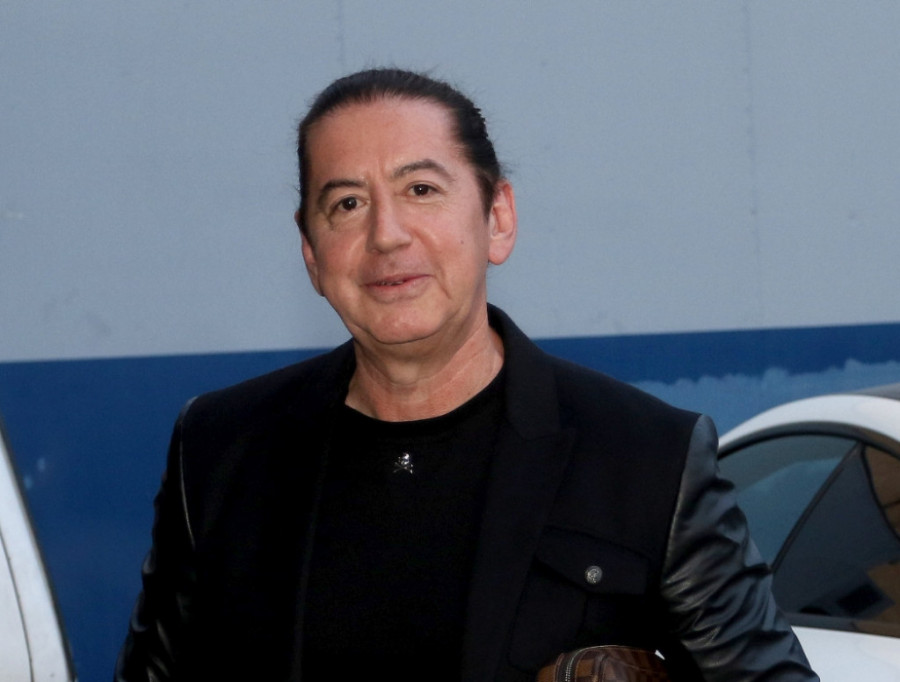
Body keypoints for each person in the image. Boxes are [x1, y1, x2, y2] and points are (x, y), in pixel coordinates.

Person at [115, 68, 818, 682]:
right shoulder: (219, 449)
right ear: (310, 251)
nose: (386, 234)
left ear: (498, 218)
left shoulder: (647, 458)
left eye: (421, 189)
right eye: (347, 204)